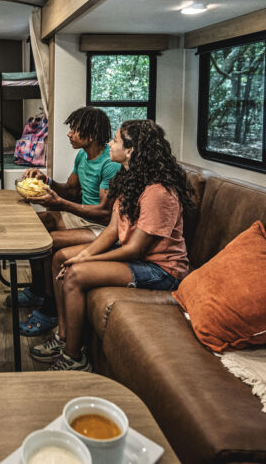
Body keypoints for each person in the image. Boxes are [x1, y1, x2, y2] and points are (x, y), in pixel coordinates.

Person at [30, 119, 192, 372]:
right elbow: (113, 230)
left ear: (131, 150)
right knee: (61, 257)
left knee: (74, 274)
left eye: (115, 140)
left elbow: (136, 249)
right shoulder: (130, 180)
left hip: (161, 270)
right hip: (138, 259)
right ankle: (63, 337)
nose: (110, 143)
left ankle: (74, 359)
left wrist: (85, 260)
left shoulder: (158, 191)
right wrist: (83, 254)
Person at [15, 106, 121, 336]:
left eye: (74, 129)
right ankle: (37, 289)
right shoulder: (82, 155)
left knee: (49, 242)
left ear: (91, 134)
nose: (69, 134)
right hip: (81, 216)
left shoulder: (110, 164)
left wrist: (61, 205)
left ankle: (51, 310)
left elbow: (104, 213)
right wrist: (47, 180)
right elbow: (71, 191)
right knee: (35, 226)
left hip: (102, 227)